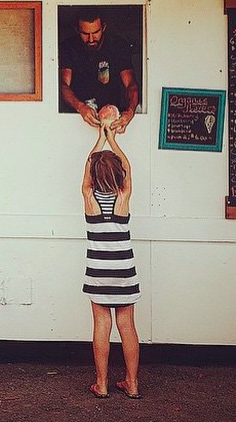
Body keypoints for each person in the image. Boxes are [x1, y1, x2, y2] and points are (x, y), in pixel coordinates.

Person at [82, 120, 141, 399]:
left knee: (101, 326)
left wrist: (99, 140)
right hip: (124, 272)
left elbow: (87, 168)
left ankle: (102, 384)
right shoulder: (123, 197)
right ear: (120, 176)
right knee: (127, 326)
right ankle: (132, 383)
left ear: (93, 176)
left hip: (98, 273)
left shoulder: (89, 198)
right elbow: (127, 167)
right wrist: (113, 140)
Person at [60, 10, 139, 132]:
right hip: (76, 119)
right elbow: (63, 85)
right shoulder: (69, 47)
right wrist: (80, 107)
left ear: (104, 27)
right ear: (77, 30)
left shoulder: (118, 45)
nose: (91, 39)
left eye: (95, 32)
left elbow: (130, 84)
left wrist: (130, 112)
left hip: (111, 120)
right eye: (85, 34)